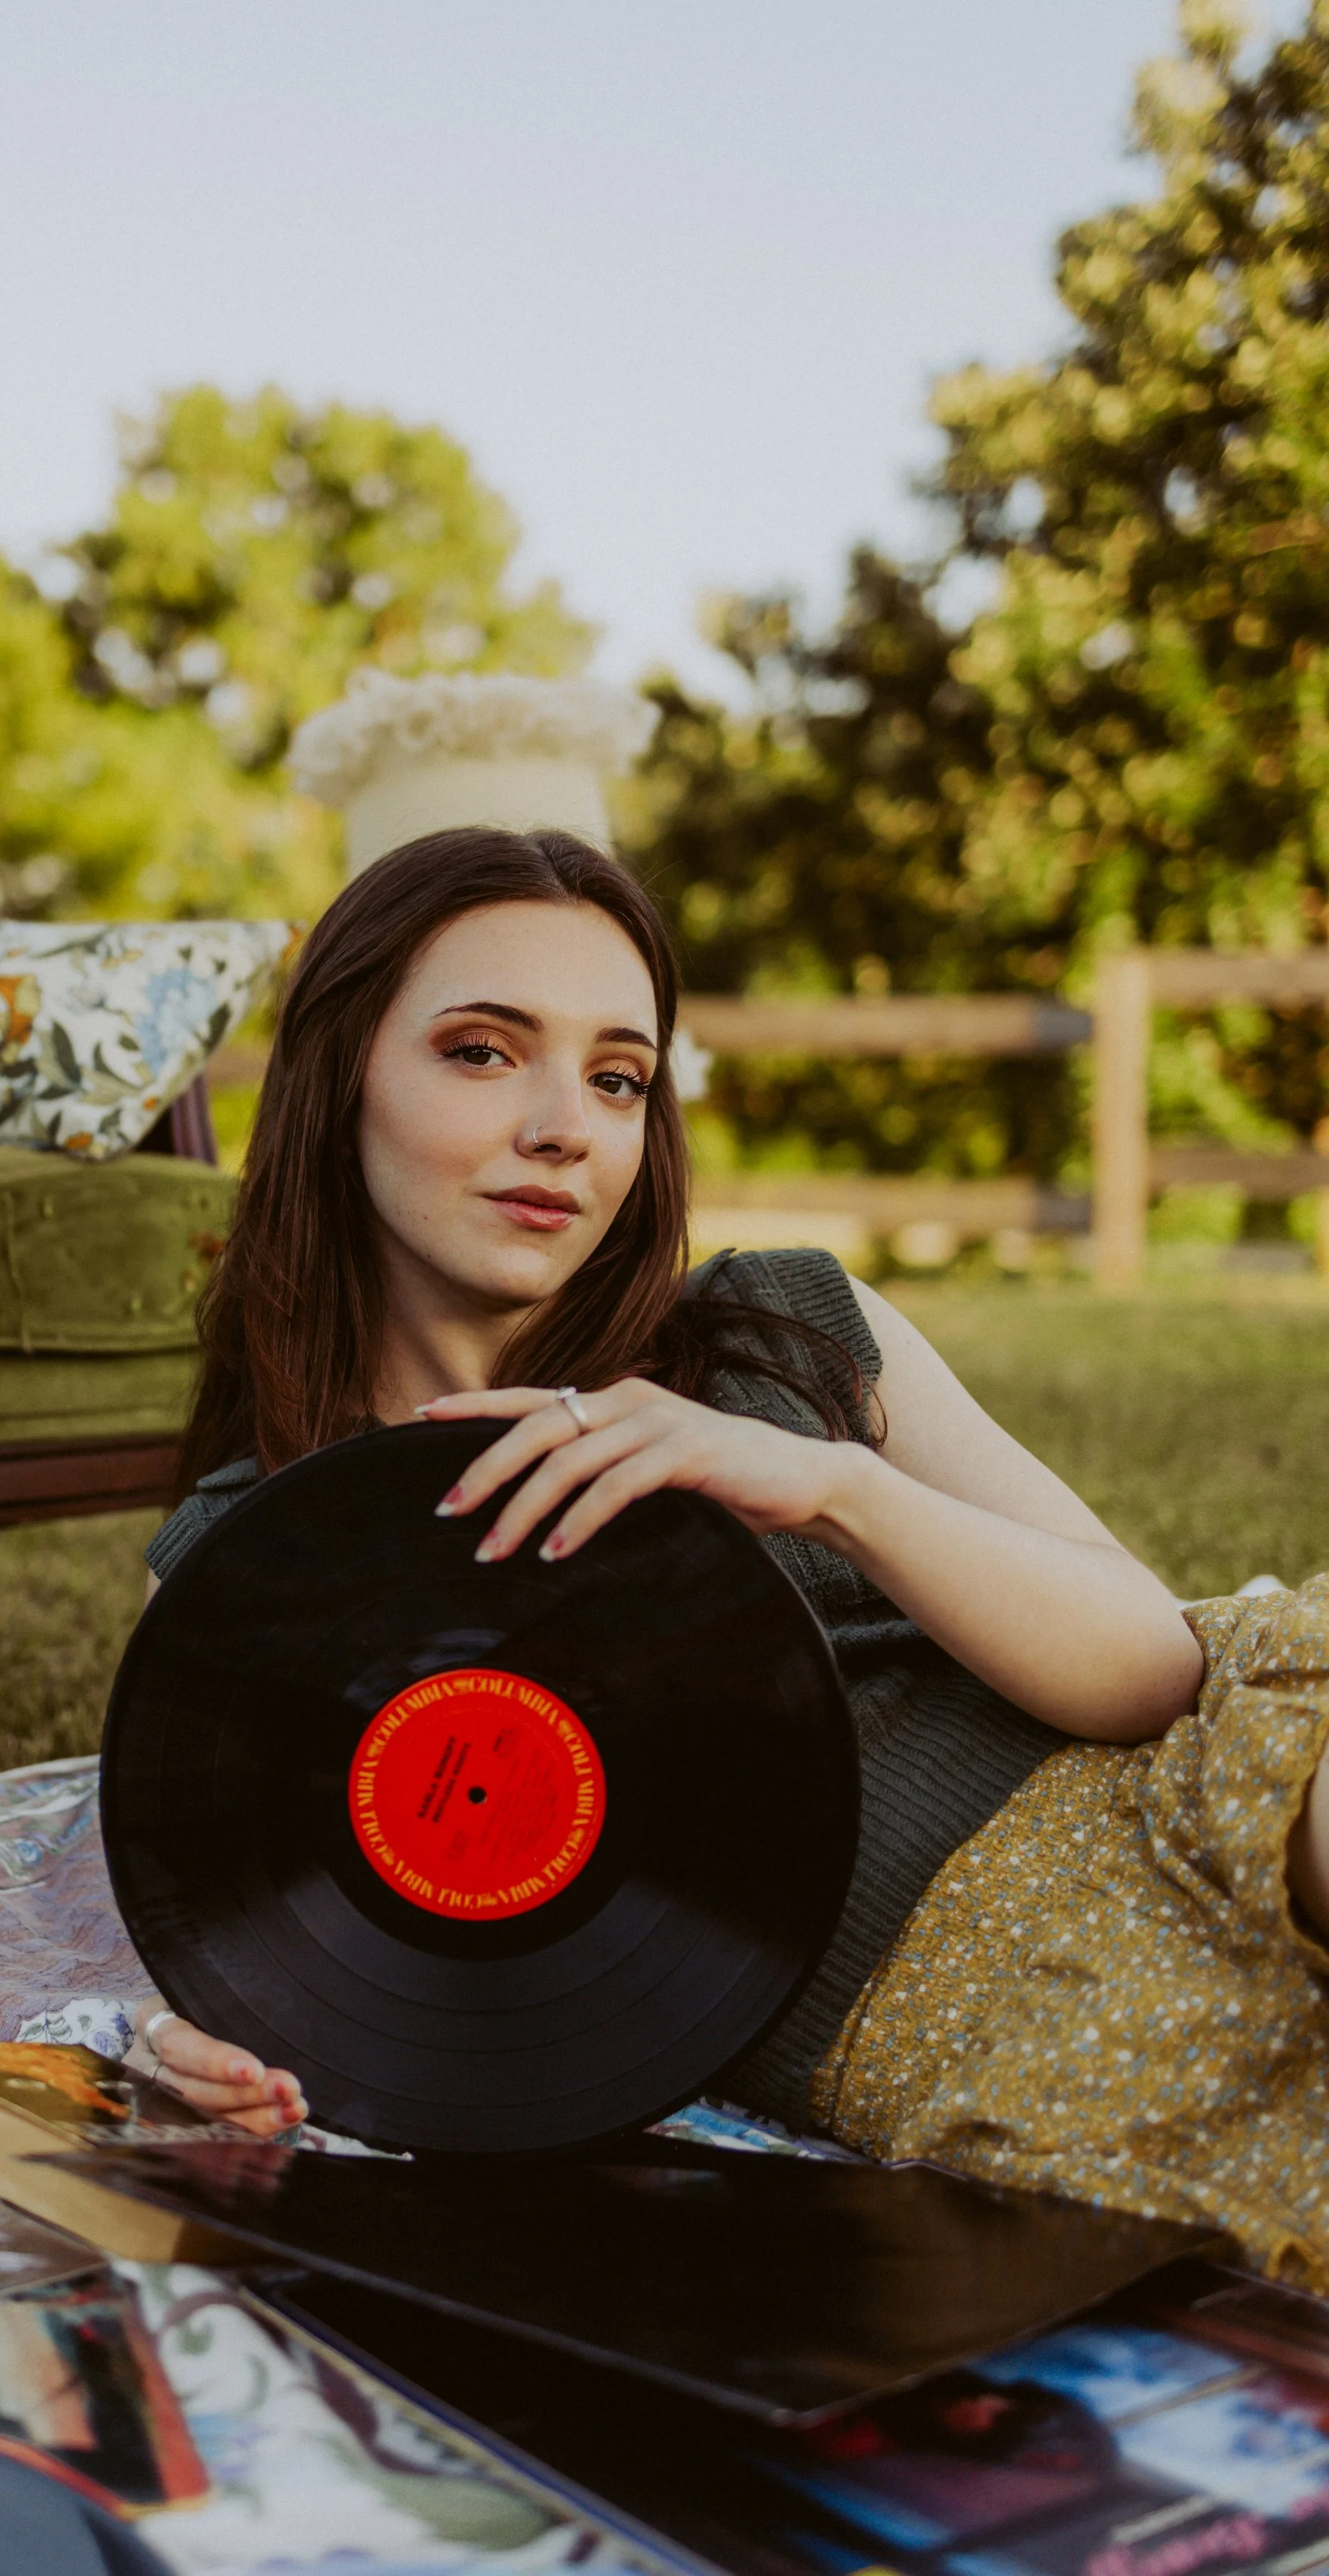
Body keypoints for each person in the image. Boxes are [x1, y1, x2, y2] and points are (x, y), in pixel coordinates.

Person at [123, 826, 1329, 2291]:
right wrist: (184, 2043)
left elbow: (1154, 1665)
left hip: (1203, 1785)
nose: (564, 1128)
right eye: (483, 1052)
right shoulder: (247, 1559)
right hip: (986, 2019)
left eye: (617, 1077)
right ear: (337, 1079)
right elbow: (247, 1945)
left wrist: (830, 1490)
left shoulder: (784, 1327)